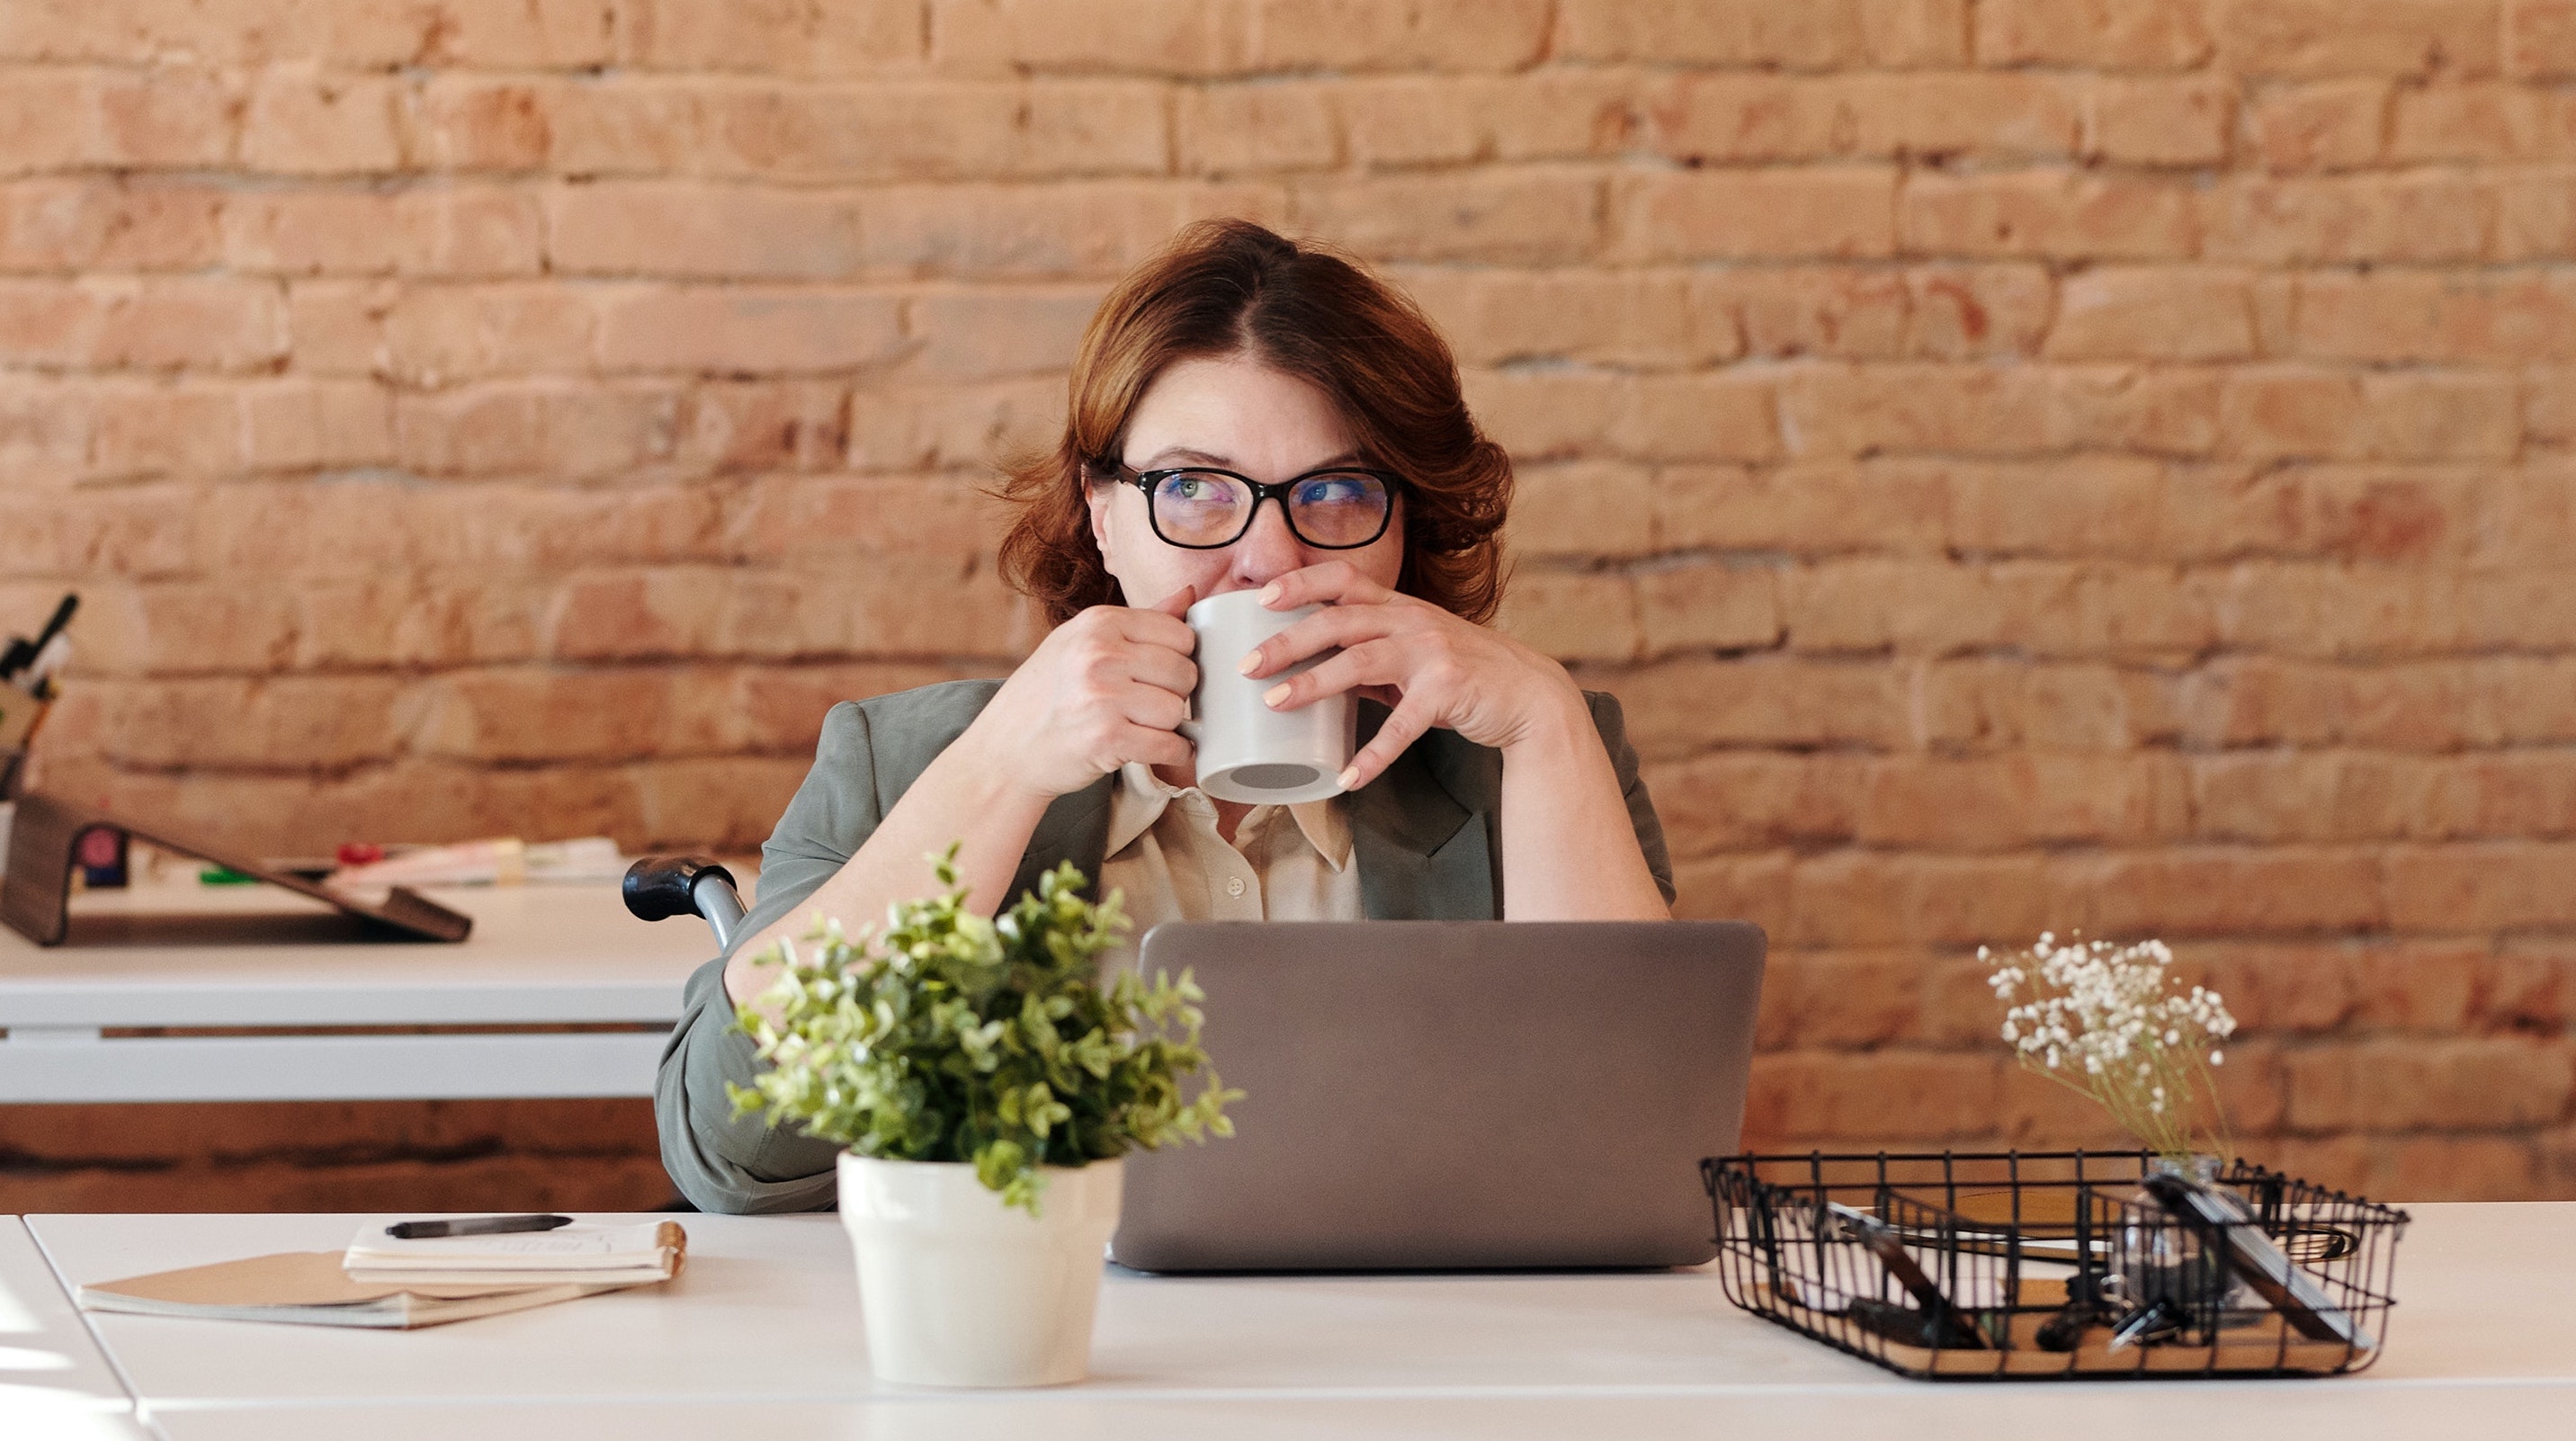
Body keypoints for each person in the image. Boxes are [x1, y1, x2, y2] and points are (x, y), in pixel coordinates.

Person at [657, 219, 1675, 1213]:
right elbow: (735, 1156)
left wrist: (1544, 719)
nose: (1268, 559)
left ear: (1405, 523)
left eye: (1335, 490)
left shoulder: (1523, 757)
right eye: (1193, 487)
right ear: (1103, 514)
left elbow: (1639, 1145)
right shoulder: (904, 760)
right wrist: (1001, 770)